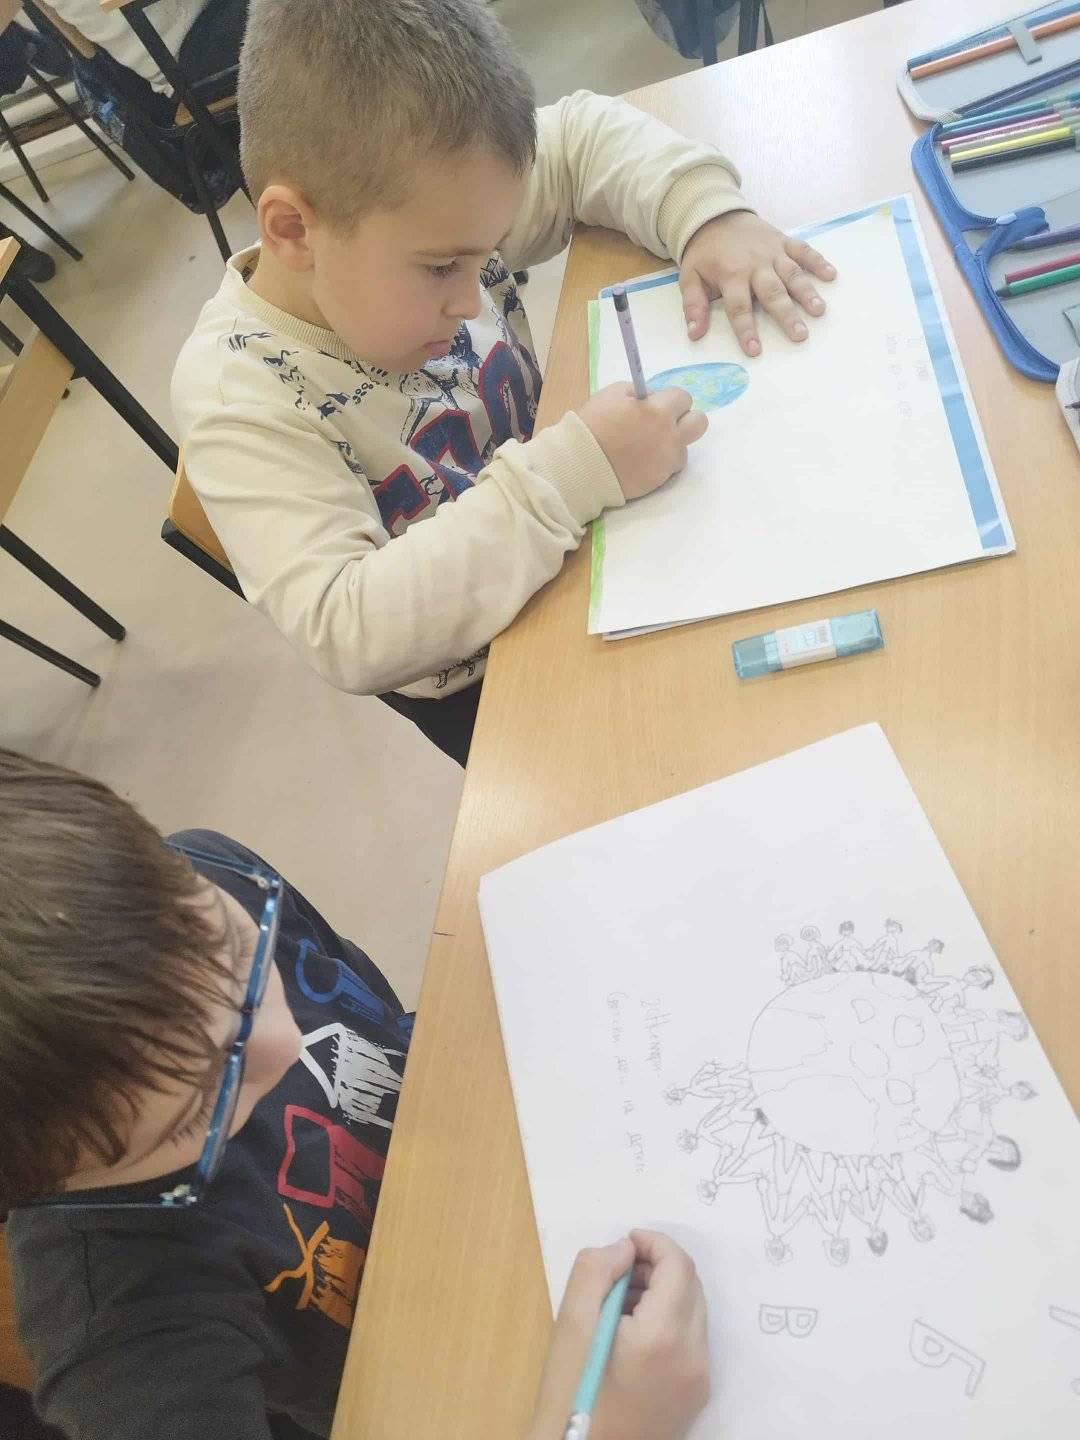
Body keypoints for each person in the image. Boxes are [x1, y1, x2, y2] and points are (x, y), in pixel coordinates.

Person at [171, 0, 835, 765]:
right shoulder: (238, 395)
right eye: (441, 269)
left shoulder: (433, 207)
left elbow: (581, 136)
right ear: (293, 231)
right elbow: (345, 627)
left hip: (598, 529)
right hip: (499, 682)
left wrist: (707, 215)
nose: (470, 297)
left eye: (484, 252)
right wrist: (571, 474)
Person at [0, 749, 709, 1440]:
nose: (283, 1041)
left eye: (240, 951)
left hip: (520, 1151)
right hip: (458, 1378)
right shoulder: (122, 1341)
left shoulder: (211, 869)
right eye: (198, 1111)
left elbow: (386, 1018)